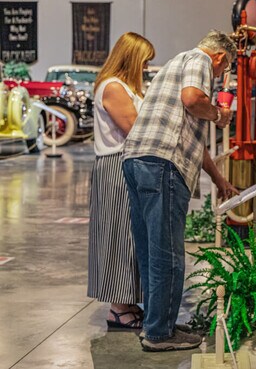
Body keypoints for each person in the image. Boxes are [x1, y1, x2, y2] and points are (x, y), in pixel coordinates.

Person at [122, 30, 238, 352]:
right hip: (164, 165)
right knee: (168, 253)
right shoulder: (200, 60)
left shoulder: (174, 64)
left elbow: (192, 138)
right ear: (220, 57)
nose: (221, 75)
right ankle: (160, 334)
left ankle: (157, 323)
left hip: (137, 160)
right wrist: (219, 114)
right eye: (225, 68)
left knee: (150, 250)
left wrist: (219, 180)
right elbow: (193, 100)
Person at [87, 32, 155, 330]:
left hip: (127, 163)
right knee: (118, 233)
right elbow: (135, 129)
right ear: (132, 58)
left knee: (129, 234)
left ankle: (127, 301)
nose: (147, 68)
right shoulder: (113, 87)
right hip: (116, 166)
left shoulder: (125, 87)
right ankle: (117, 307)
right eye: (145, 61)